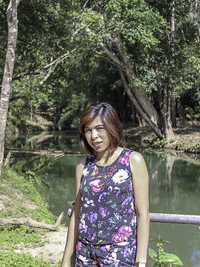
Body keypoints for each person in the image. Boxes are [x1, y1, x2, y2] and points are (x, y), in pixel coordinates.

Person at [61, 102, 150, 267]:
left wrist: (141, 261)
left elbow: (142, 213)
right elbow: (77, 213)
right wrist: (67, 260)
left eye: (99, 128)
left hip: (119, 256)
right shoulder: (83, 166)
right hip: (85, 255)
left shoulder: (132, 160)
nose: (94, 136)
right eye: (88, 130)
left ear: (112, 127)